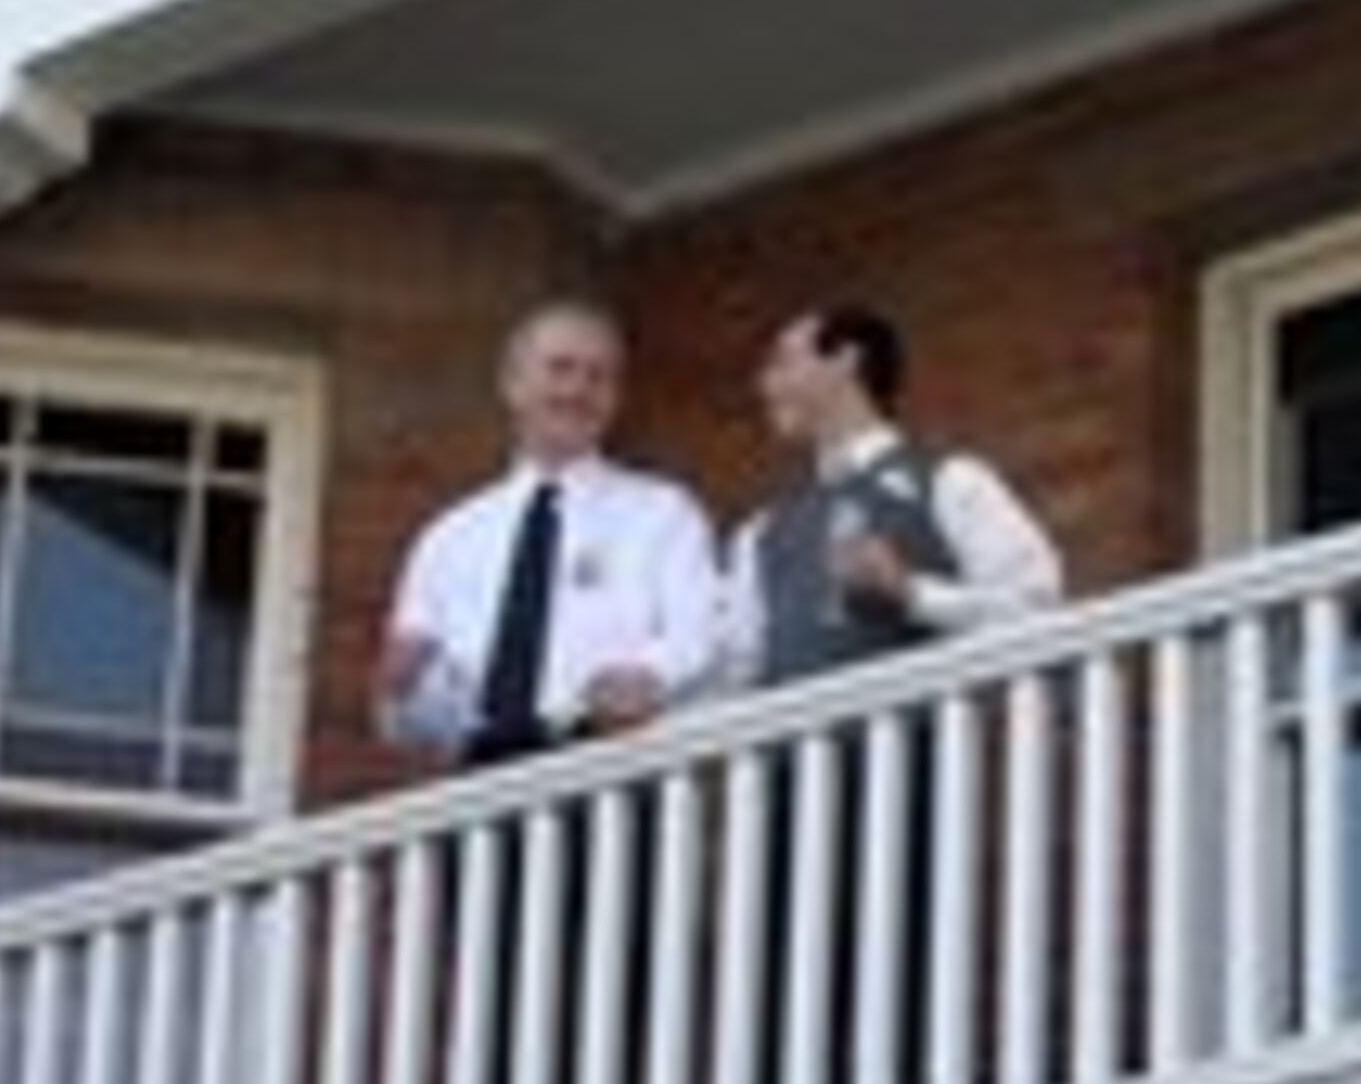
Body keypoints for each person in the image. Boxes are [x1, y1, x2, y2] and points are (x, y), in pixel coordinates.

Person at [373, 296, 721, 767]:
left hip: (610, 773)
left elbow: (699, 639)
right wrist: (402, 689)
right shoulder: (448, 538)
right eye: (560, 369)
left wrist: (651, 677)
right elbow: (409, 730)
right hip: (478, 790)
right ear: (512, 384)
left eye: (599, 376)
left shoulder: (663, 515)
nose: (578, 390)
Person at [722, 302, 1064, 683]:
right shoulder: (760, 533)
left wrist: (911, 595)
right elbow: (734, 672)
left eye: (783, 362)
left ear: (845, 360)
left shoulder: (951, 482)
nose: (766, 385)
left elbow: (1036, 610)